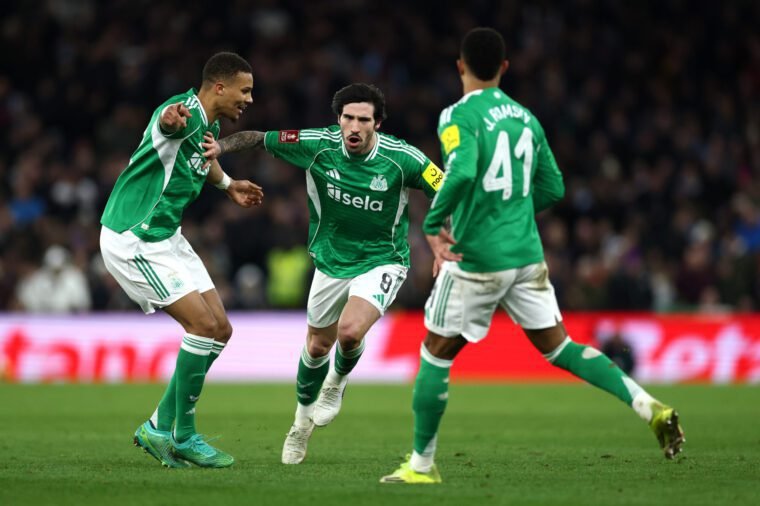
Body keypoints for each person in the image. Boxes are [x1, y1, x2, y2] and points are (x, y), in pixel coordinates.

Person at [380, 28, 685, 484]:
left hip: (476, 259)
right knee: (561, 348)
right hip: (526, 256)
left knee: (435, 353)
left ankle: (422, 466)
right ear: (504, 67)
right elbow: (554, 187)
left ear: (460, 66)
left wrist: (431, 225)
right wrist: (512, 213)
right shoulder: (526, 118)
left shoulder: (457, 115)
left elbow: (461, 172)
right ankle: (648, 405)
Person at [201, 83, 448, 465]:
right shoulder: (317, 144)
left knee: (349, 332)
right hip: (330, 262)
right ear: (339, 119)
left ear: (377, 124)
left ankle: (336, 382)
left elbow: (445, 189)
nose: (354, 126)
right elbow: (258, 138)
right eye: (348, 117)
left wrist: (439, 236)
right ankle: (300, 424)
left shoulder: (403, 159)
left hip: (382, 259)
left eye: (363, 119)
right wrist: (221, 147)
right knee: (317, 346)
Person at [99, 52, 264, 469]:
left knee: (220, 329)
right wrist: (168, 121)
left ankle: (157, 426)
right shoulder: (182, 112)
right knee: (202, 326)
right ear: (219, 87)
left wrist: (228, 184)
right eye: (245, 90)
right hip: (135, 238)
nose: (249, 99)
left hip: (167, 236)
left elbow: (202, 158)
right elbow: (167, 125)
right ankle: (183, 435)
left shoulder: (210, 124)